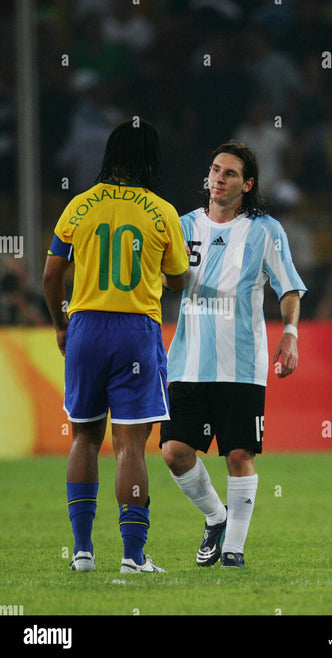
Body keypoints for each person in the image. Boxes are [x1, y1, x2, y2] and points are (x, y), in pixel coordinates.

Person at [42, 119, 190, 573]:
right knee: (130, 446)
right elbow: (180, 278)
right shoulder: (161, 210)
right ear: (150, 158)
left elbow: (51, 275)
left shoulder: (79, 206)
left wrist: (62, 324)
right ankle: (132, 556)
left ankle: (82, 552)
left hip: (85, 326)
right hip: (135, 331)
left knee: (85, 437)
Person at [160, 141, 307, 567]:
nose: (218, 179)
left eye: (229, 174)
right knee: (174, 451)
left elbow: (289, 287)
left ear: (248, 184)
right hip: (188, 360)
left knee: (240, 454)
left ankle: (233, 551)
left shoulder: (265, 230)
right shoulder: (181, 226)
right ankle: (215, 515)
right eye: (214, 170)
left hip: (243, 365)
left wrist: (291, 333)